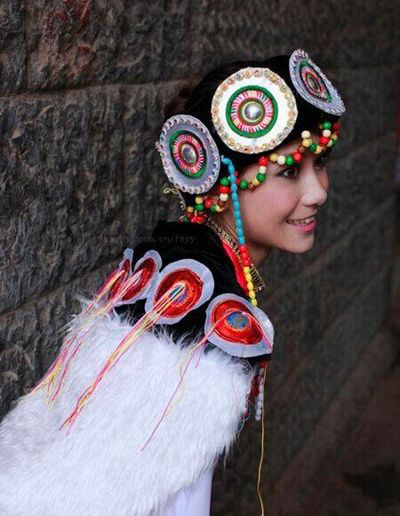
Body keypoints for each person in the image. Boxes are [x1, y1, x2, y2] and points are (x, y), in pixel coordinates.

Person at [0, 49, 345, 516]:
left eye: (320, 162)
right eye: (288, 171)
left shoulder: (171, 260)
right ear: (221, 183)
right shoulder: (202, 323)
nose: (318, 191)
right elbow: (174, 500)